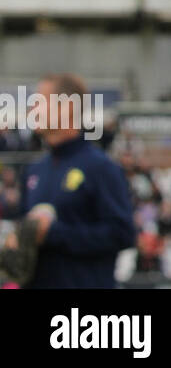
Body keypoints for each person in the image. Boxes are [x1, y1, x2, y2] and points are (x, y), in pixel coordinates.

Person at [6, 74, 135, 288]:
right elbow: (25, 227)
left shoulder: (101, 168)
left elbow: (122, 235)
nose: (32, 110)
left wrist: (54, 233)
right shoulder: (34, 170)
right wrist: (17, 239)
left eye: (39, 102)